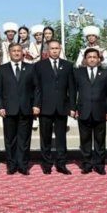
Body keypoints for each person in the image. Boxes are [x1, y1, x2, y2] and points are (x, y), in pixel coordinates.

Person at [32, 40, 75, 175]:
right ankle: (47, 164)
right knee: (45, 138)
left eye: (57, 48)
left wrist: (72, 107)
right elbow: (37, 88)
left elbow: (72, 89)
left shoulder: (67, 65)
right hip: (45, 107)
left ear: (60, 49)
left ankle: (61, 164)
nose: (54, 51)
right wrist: (36, 105)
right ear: (48, 50)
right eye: (52, 48)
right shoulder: (39, 66)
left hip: (62, 107)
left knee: (61, 138)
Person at [0, 43, 35, 175]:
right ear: (9, 53)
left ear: (22, 53)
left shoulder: (30, 68)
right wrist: (0, 106)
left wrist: (36, 105)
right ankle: (11, 165)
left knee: (24, 140)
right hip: (8, 109)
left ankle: (23, 165)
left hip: (26, 109)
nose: (17, 53)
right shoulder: (2, 69)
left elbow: (37, 89)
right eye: (14, 51)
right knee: (10, 139)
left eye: (19, 51)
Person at [73, 48, 107, 175]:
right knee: (85, 141)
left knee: (100, 141)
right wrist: (74, 109)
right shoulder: (78, 73)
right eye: (89, 57)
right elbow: (73, 92)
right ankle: (87, 164)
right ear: (85, 59)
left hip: (100, 111)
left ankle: (100, 165)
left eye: (95, 57)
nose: (92, 59)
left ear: (99, 59)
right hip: (83, 111)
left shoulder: (105, 73)